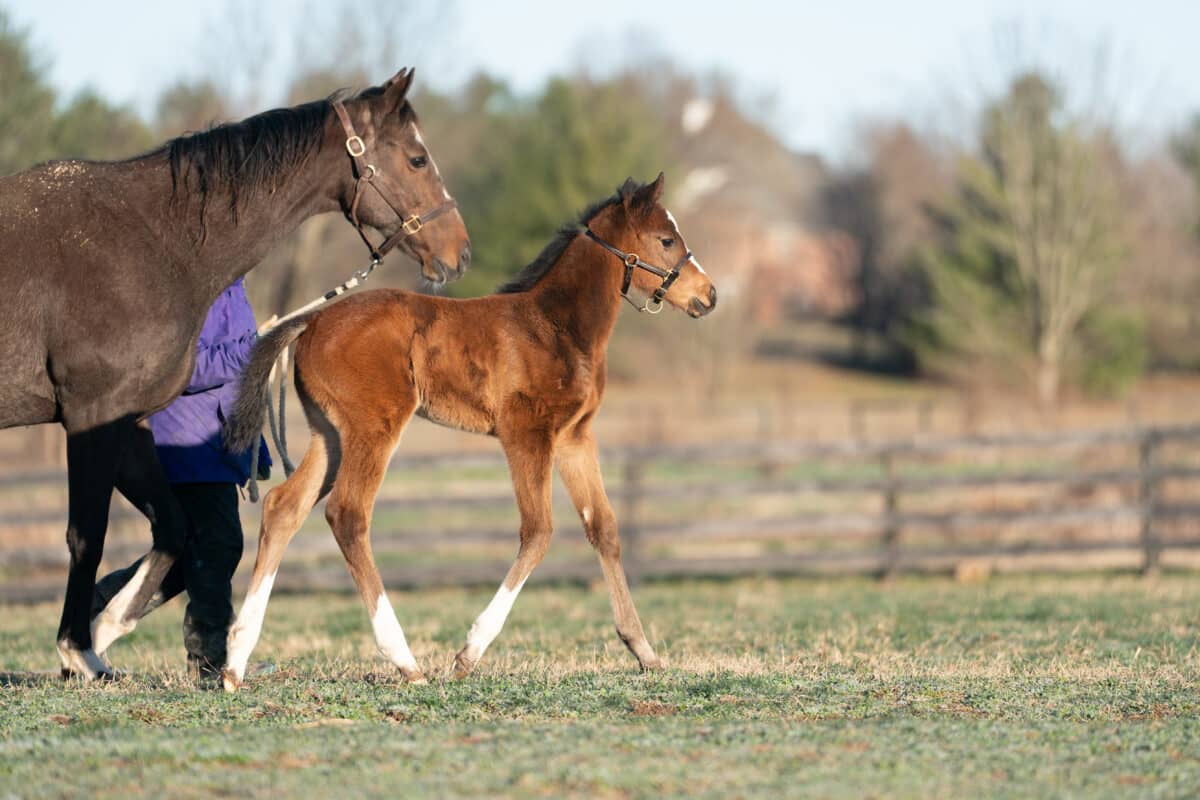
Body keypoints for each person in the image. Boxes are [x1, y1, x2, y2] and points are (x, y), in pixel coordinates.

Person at [92, 277, 270, 679]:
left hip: (216, 439)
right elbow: (185, 366)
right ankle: (210, 661)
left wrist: (252, 446)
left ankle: (95, 607)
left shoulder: (233, 285)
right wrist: (254, 350)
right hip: (188, 438)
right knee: (216, 545)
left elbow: (240, 377)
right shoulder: (192, 287)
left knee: (192, 553)